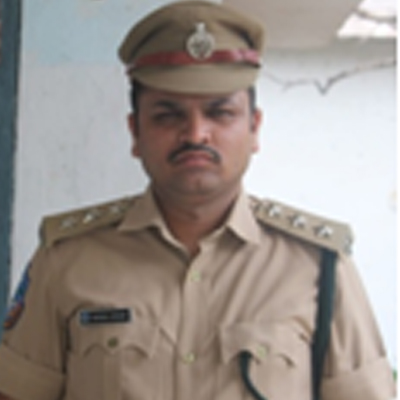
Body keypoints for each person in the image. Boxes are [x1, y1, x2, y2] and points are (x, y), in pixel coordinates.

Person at [0, 1, 395, 400]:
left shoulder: (318, 267)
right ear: (135, 132)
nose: (195, 134)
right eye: (168, 115)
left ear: (254, 128)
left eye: (219, 113)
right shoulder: (66, 261)